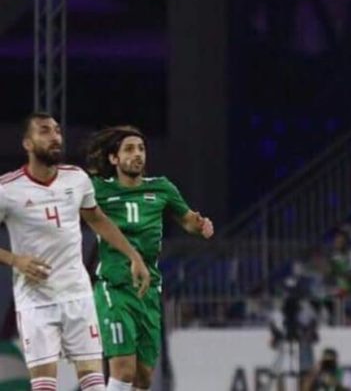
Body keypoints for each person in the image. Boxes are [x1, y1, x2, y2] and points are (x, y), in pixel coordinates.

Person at [0, 113, 151, 391]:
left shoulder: (76, 179)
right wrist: (15, 259)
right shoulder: (7, 188)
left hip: (78, 296)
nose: (55, 136)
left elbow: (97, 219)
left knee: (94, 384)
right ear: (27, 144)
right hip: (36, 301)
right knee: (45, 387)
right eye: (44, 131)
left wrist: (134, 256)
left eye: (57, 131)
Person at [84, 125, 214, 391]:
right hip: (114, 287)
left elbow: (187, 220)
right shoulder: (98, 189)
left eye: (141, 149)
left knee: (143, 377)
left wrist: (200, 225)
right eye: (129, 149)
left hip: (149, 291)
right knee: (124, 369)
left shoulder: (162, 188)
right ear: (114, 158)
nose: (137, 154)